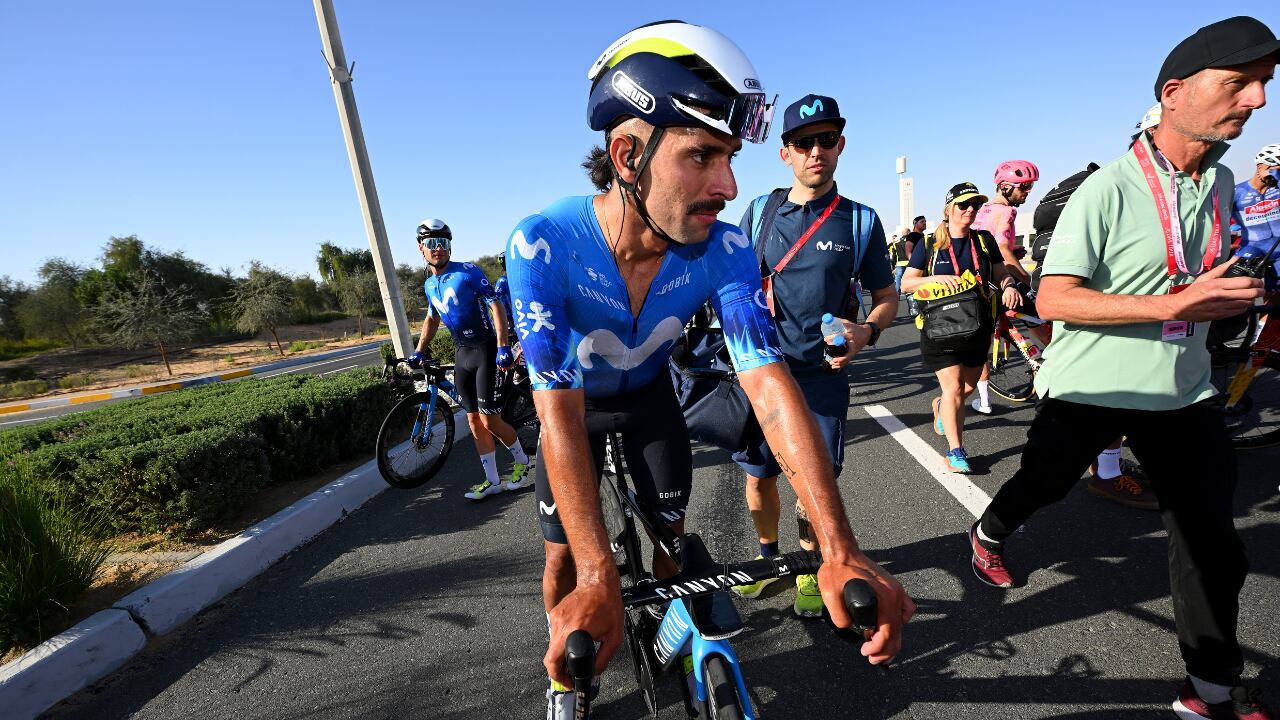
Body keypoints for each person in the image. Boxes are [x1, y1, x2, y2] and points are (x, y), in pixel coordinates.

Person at [504, 22, 914, 717]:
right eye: (702, 156)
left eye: (730, 158)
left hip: (648, 403)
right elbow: (557, 412)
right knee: (565, 562)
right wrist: (600, 570)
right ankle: (563, 679)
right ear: (627, 154)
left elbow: (769, 383)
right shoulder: (543, 244)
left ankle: (681, 637)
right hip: (573, 412)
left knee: (673, 541)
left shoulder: (724, 250)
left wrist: (840, 547)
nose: (727, 185)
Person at [968, 16, 1276, 719]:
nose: (1256, 100)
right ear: (1175, 93)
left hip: (1182, 392)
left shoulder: (1223, 181)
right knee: (1042, 482)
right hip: (1093, 385)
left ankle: (1210, 692)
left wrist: (1222, 303)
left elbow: (1195, 283)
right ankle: (989, 531)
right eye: (1239, 83)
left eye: (1264, 85)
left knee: (1211, 546)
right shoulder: (1105, 188)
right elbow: (1054, 297)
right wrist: (1177, 300)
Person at [729, 94, 898, 616]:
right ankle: (768, 560)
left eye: (826, 140)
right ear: (786, 153)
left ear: (840, 146)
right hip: (763, 371)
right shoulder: (758, 213)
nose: (815, 151)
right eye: (803, 143)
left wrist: (865, 332)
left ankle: (808, 569)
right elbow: (728, 283)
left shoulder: (859, 221)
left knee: (812, 481)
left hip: (822, 375)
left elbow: (886, 296)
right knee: (758, 476)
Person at [901, 183, 1023, 473]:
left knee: (967, 386)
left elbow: (1000, 272)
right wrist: (933, 281)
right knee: (954, 387)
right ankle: (956, 452)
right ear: (948, 210)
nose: (970, 210)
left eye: (975, 206)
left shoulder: (982, 241)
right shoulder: (929, 244)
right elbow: (907, 283)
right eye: (963, 205)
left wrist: (1008, 286)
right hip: (940, 330)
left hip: (976, 326)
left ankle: (942, 406)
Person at [410, 219, 531, 500]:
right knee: (474, 421)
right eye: (431, 243)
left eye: (443, 243)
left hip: (486, 349)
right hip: (462, 352)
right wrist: (419, 350)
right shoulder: (430, 284)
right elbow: (432, 318)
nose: (438, 248)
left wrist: (502, 346)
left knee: (490, 420)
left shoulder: (468, 273)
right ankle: (492, 481)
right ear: (421, 249)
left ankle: (522, 463)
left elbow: (496, 305)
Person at [969, 160, 1039, 415]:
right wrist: (1030, 280)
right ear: (1006, 187)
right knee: (1042, 321)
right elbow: (1003, 251)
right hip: (1002, 281)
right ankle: (1049, 364)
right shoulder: (1006, 212)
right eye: (1025, 187)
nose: (1028, 192)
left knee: (982, 345)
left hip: (981, 284)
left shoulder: (982, 211)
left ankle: (985, 400)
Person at [901, 215, 927, 314]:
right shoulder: (912, 235)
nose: (924, 223)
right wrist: (916, 265)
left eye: (925, 221)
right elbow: (908, 251)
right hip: (917, 267)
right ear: (915, 224)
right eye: (922, 222)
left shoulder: (923, 236)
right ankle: (915, 308)